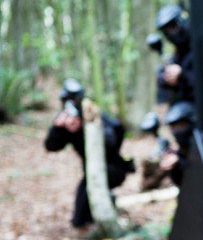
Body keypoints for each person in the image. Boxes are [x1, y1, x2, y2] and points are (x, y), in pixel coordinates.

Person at [44, 78, 135, 232]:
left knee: (89, 190)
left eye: (73, 99)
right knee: (80, 216)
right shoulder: (66, 121)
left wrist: (86, 127)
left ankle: (104, 211)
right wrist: (57, 128)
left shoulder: (93, 114)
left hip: (114, 168)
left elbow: (112, 139)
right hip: (91, 173)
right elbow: (51, 146)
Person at [154, 5, 195, 107]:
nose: (170, 34)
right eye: (166, 31)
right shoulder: (177, 55)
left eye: (172, 27)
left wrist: (182, 75)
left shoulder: (199, 49)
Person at [158, 100, 197, 187]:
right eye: (174, 127)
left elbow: (200, 170)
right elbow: (181, 182)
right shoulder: (181, 151)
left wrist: (179, 161)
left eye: (181, 126)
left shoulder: (202, 145)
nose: (177, 131)